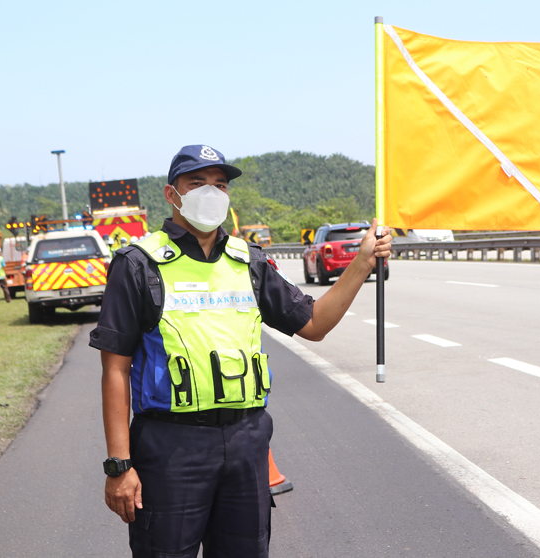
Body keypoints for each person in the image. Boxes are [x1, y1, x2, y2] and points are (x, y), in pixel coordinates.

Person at [89, 144, 392, 558]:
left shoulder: (249, 261)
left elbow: (315, 324)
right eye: (196, 183)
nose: (209, 192)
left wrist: (361, 264)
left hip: (247, 442)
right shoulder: (138, 264)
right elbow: (115, 371)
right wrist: (119, 466)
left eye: (220, 184)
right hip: (170, 446)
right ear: (170, 193)